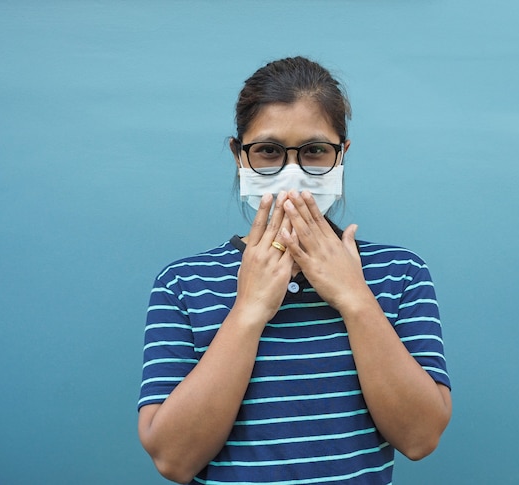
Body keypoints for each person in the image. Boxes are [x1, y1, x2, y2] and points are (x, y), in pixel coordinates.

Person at [138, 56, 452, 484]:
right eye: (268, 151)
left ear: (342, 154)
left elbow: (420, 437)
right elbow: (173, 460)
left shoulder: (400, 273)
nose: (291, 174)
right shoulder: (182, 284)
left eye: (314, 151)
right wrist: (249, 310)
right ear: (238, 155)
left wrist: (354, 298)